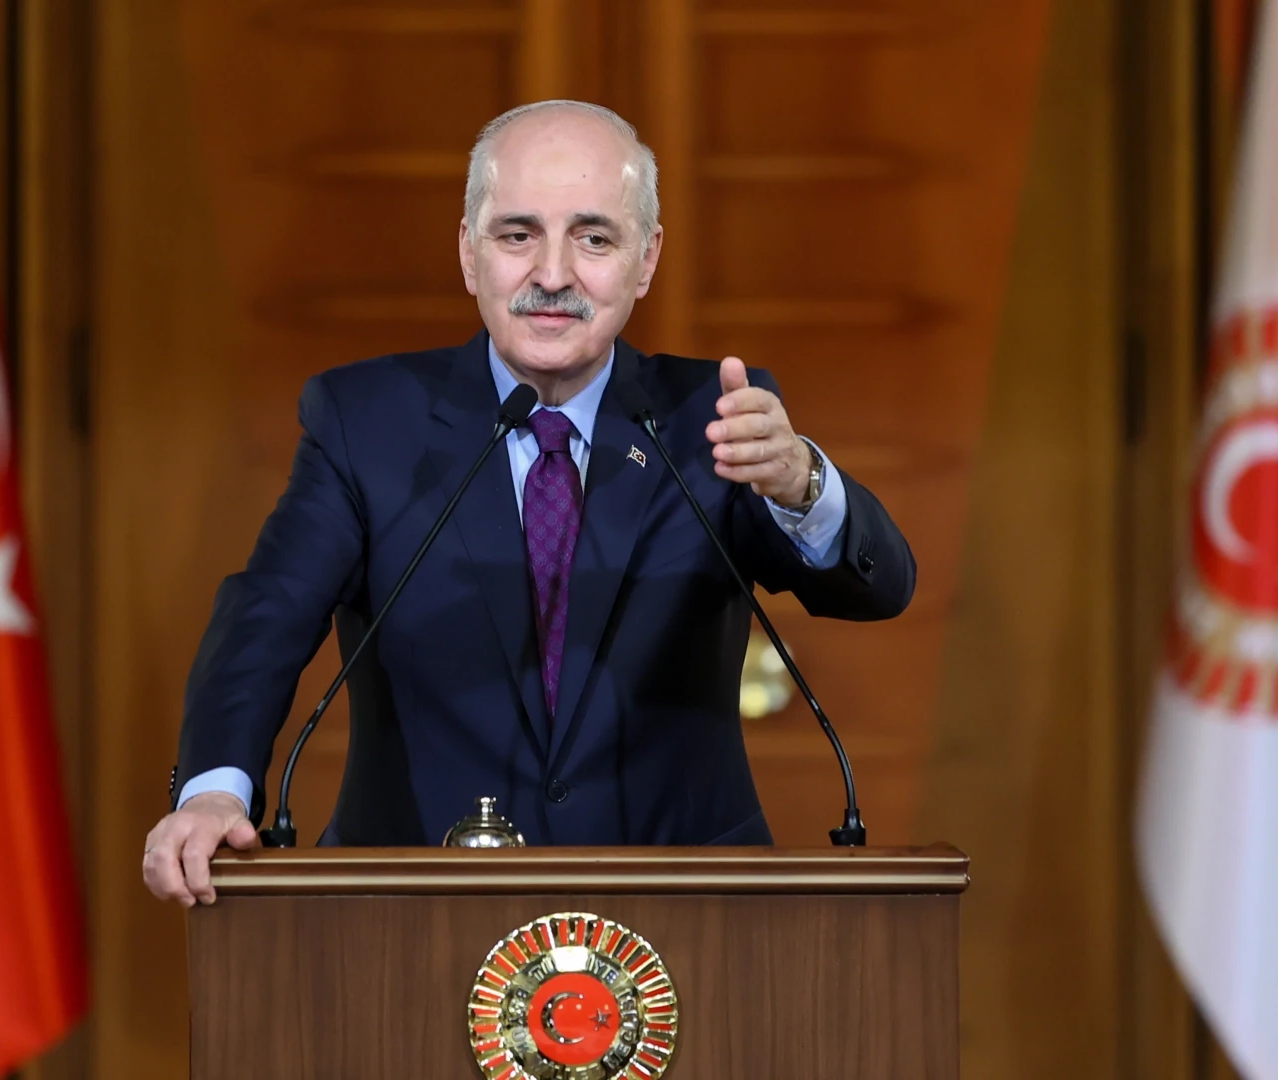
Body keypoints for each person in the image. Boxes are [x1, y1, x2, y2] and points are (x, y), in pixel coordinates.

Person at [142, 100, 915, 907]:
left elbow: (880, 590)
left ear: (646, 259)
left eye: (593, 238)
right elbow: (267, 613)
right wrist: (215, 791)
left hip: (681, 909)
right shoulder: (366, 422)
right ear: (469, 253)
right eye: (517, 235)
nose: (552, 275)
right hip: (412, 913)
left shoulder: (710, 420)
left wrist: (802, 482)